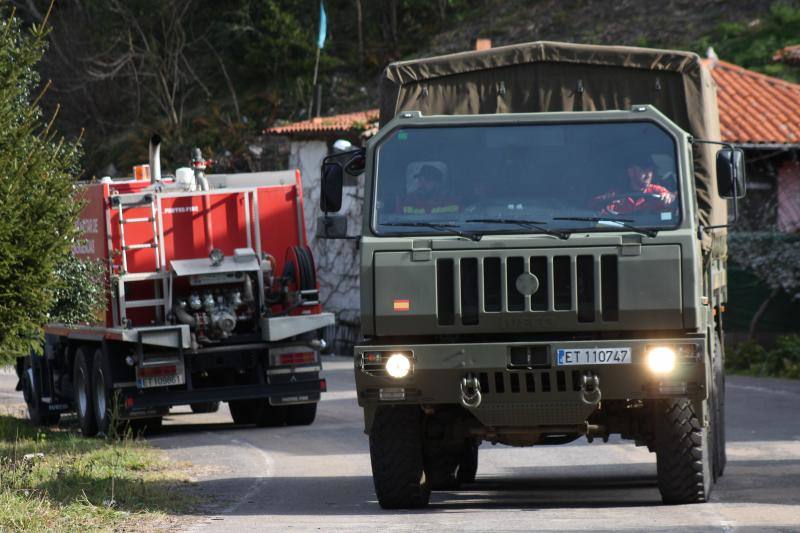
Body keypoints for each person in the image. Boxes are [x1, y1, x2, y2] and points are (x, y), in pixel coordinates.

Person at [592, 156, 676, 215]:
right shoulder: (615, 194)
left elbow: (671, 197)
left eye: (650, 170)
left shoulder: (657, 190)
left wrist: (669, 197)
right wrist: (605, 201)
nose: (648, 174)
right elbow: (595, 207)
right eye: (643, 170)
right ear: (631, 172)